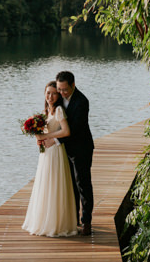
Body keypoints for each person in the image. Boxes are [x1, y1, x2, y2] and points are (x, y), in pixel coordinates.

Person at [21, 81, 79, 237]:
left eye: (54, 93)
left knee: (55, 184)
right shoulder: (45, 111)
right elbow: (41, 133)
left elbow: (66, 131)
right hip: (45, 154)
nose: (50, 96)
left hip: (56, 152)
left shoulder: (59, 110)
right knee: (45, 184)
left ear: (58, 95)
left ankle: (57, 224)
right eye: (48, 93)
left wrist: (48, 137)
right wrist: (38, 138)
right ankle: (44, 220)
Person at [54, 70, 95, 236]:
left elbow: (75, 130)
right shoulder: (58, 98)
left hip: (81, 148)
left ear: (73, 85)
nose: (62, 93)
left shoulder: (81, 102)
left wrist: (55, 140)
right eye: (59, 89)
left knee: (82, 183)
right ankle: (73, 219)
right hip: (65, 149)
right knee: (70, 184)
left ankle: (86, 222)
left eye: (65, 90)